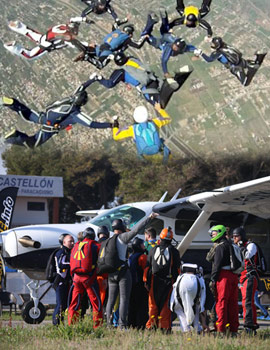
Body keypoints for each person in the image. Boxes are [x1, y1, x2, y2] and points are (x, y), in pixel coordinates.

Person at [1, 78, 113, 148]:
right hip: (50, 126)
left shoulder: (72, 97)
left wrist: (93, 79)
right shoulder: (75, 113)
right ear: (82, 103)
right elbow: (92, 124)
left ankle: (12, 103)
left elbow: (82, 86)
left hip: (45, 116)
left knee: (27, 113)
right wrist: (110, 125)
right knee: (32, 144)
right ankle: (14, 136)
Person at [89, 53, 193, 108]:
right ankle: (178, 75)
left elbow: (109, 84)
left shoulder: (120, 72)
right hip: (154, 79)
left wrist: (98, 78)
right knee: (172, 86)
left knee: (160, 105)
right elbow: (129, 67)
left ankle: (171, 83)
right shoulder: (132, 59)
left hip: (147, 88)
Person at [105, 214, 153, 329]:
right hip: (123, 273)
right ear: (122, 228)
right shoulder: (123, 237)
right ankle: (122, 325)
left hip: (111, 273)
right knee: (124, 299)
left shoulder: (108, 240)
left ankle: (107, 324)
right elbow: (136, 229)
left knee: (110, 300)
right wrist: (149, 218)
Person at [143, 227, 181, 332]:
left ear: (161, 237)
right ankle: (164, 327)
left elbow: (147, 267)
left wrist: (146, 281)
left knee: (153, 305)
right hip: (168, 282)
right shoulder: (174, 251)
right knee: (166, 305)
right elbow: (177, 269)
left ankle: (151, 326)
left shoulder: (153, 249)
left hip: (154, 281)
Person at [141, 10, 197, 76]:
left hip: (168, 37)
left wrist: (197, 55)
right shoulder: (169, 49)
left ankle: (162, 18)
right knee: (144, 35)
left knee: (164, 30)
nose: (174, 47)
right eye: (174, 46)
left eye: (175, 47)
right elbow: (164, 61)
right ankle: (152, 21)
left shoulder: (184, 47)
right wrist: (166, 73)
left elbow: (194, 49)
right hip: (159, 43)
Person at [3, 18, 90, 60]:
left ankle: (18, 26)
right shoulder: (67, 37)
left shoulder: (63, 26)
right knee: (29, 55)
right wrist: (85, 48)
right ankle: (14, 47)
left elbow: (72, 20)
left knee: (29, 32)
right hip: (47, 45)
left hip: (44, 37)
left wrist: (83, 19)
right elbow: (74, 43)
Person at [194, 37, 267, 86]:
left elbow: (209, 60)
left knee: (245, 83)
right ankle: (260, 56)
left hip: (236, 67)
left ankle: (252, 68)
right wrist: (210, 39)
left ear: (216, 45)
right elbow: (218, 42)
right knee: (256, 65)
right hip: (241, 61)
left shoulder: (218, 53)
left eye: (213, 44)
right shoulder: (225, 46)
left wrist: (201, 53)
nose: (212, 45)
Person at [68, 227, 102, 327]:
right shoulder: (95, 245)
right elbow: (101, 261)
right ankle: (97, 326)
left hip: (76, 278)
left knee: (74, 303)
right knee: (96, 303)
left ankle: (72, 325)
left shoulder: (77, 245)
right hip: (89, 278)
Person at [209, 225, 239, 335]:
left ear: (220, 232)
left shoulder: (220, 247)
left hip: (223, 276)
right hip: (234, 276)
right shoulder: (230, 244)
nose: (212, 234)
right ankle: (233, 329)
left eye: (214, 232)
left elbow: (216, 265)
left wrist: (213, 279)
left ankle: (221, 329)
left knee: (221, 303)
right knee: (233, 304)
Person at [73, 24, 147, 69]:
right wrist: (145, 37)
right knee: (100, 65)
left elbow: (115, 24)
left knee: (89, 52)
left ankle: (82, 48)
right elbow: (138, 45)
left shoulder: (116, 31)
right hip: (108, 51)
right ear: (129, 33)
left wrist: (124, 20)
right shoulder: (127, 39)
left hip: (101, 47)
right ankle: (86, 57)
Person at [232, 227, 260, 332]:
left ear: (241, 236)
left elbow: (247, 256)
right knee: (245, 301)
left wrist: (241, 248)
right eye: (233, 236)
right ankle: (250, 324)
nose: (234, 238)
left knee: (247, 302)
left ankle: (249, 325)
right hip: (242, 277)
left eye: (236, 236)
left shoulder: (251, 245)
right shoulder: (238, 246)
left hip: (250, 276)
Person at [170, 263, 208, 333]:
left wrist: (172, 304)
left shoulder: (180, 277)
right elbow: (203, 293)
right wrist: (202, 307)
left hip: (180, 291)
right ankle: (197, 329)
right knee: (196, 308)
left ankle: (186, 329)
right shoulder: (200, 278)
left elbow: (174, 289)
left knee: (178, 309)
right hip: (195, 291)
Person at [53, 234, 74, 325]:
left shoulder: (67, 252)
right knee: (60, 304)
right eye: (70, 241)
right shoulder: (61, 252)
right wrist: (74, 264)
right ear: (64, 242)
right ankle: (56, 324)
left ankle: (60, 323)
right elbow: (61, 264)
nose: (72, 243)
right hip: (60, 282)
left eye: (73, 241)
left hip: (65, 282)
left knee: (64, 305)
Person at [128, 237, 148, 329]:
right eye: (142, 244)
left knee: (132, 305)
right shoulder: (142, 257)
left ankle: (131, 324)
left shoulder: (131, 257)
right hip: (140, 285)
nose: (144, 246)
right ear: (139, 246)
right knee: (142, 306)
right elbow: (146, 270)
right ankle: (141, 324)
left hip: (131, 285)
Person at [97, 226, 110, 305]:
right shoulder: (109, 243)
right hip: (107, 276)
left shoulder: (94, 244)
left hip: (95, 276)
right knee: (106, 300)